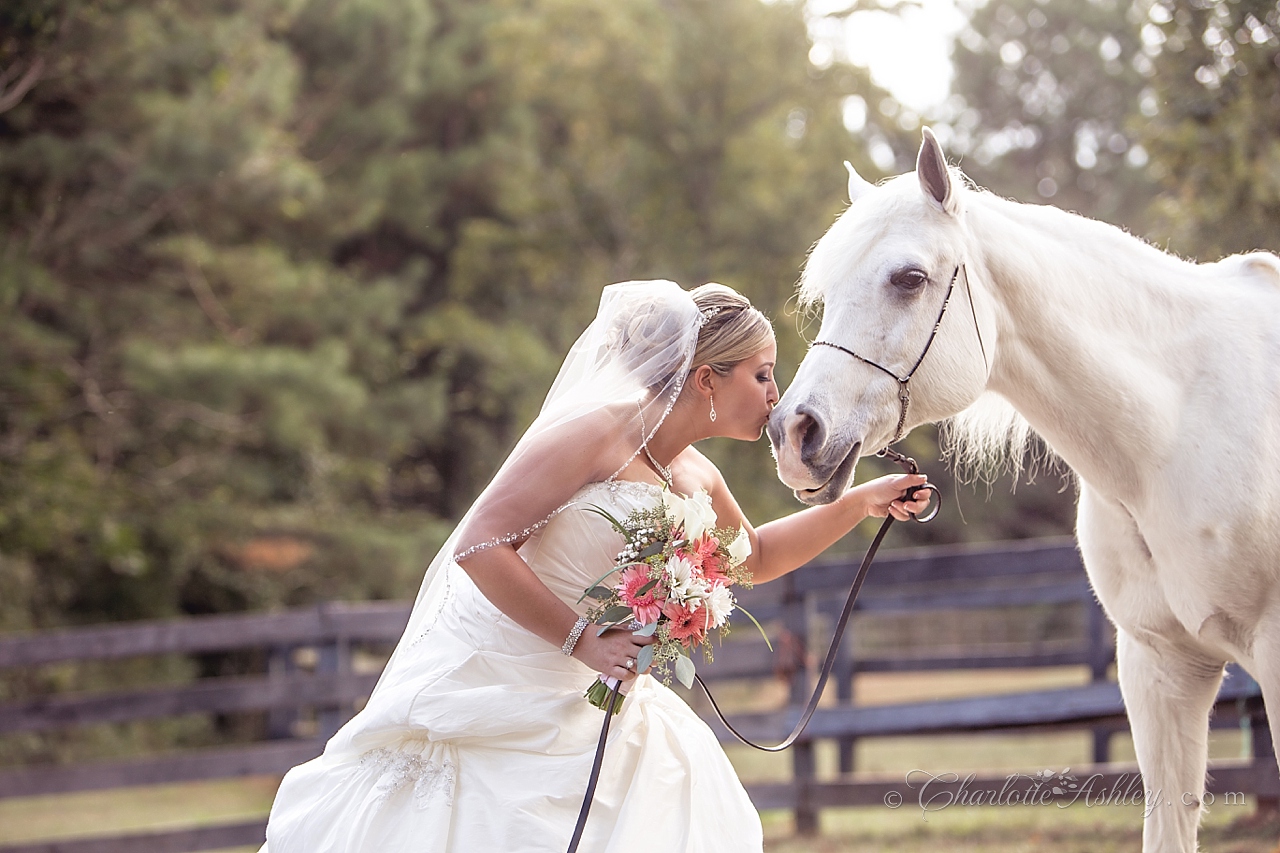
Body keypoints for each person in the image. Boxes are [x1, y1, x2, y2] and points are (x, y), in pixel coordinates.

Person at [259, 280, 932, 853]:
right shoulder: (594, 434)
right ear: (707, 380)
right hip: (503, 678)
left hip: (599, 695)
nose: (775, 394)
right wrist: (583, 639)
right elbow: (478, 544)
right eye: (761, 374)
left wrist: (865, 502)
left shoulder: (695, 472)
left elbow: (751, 558)